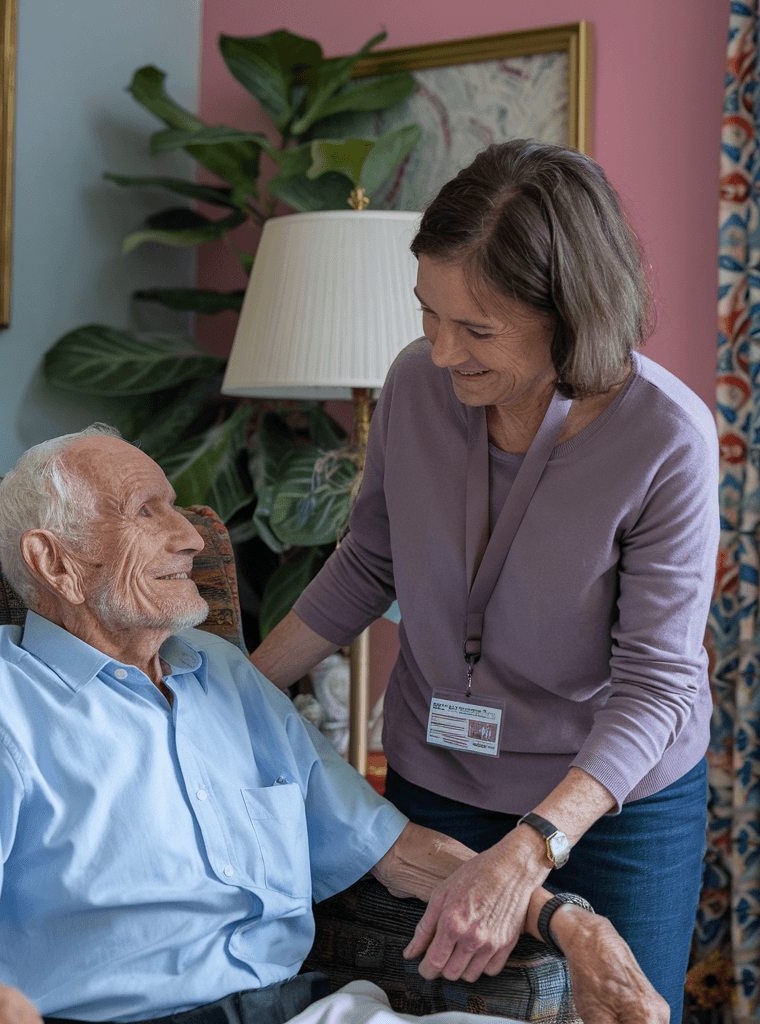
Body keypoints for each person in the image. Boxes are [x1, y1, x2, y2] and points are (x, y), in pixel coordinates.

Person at [0, 427, 666, 1024]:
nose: (192, 534)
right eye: (147, 511)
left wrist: (572, 922)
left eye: (177, 504)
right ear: (55, 562)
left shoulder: (226, 674)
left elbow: (402, 854)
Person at [251, 139, 718, 1020]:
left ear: (572, 317)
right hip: (443, 772)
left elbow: (657, 685)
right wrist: (231, 690)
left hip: (612, 796)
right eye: (428, 313)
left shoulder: (666, 440)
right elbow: (366, 564)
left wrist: (536, 844)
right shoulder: (415, 387)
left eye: (476, 330)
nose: (439, 352)